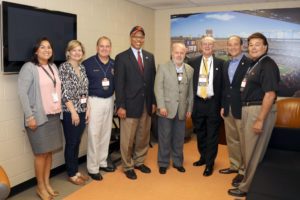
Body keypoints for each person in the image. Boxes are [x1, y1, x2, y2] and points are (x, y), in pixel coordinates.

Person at [228, 32, 280, 197]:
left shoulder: (268, 65)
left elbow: (270, 94)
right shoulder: (255, 64)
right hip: (248, 109)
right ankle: (249, 183)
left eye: (258, 44)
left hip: (258, 110)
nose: (254, 47)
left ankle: (246, 188)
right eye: (251, 45)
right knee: (247, 150)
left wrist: (260, 119)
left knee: (252, 153)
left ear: (265, 47)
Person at [18, 37, 62, 200]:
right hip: (37, 117)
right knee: (40, 154)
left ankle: (47, 183)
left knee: (49, 153)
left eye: (49, 47)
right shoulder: (29, 68)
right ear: (36, 51)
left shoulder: (53, 67)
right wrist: (29, 116)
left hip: (54, 116)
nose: (46, 50)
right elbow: (22, 94)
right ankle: (40, 187)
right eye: (42, 47)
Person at [115, 26, 156, 180]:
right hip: (129, 105)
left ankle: (139, 161)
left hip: (146, 104)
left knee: (143, 136)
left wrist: (153, 101)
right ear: (130, 38)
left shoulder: (149, 57)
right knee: (128, 139)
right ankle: (127, 166)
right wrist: (120, 105)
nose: (139, 40)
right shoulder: (122, 57)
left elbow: (152, 81)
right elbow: (119, 84)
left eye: (141, 37)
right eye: (136, 37)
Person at [154, 43, 194, 174]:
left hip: (182, 110)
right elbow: (158, 88)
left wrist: (189, 108)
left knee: (179, 138)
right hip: (166, 109)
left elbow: (190, 92)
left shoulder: (189, 70)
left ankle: (178, 162)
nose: (179, 55)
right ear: (172, 53)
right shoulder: (163, 67)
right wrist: (161, 106)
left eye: (182, 53)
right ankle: (163, 163)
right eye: (177, 52)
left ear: (185, 54)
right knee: (164, 137)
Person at [188, 36, 223, 176]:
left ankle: (210, 163)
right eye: (205, 44)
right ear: (200, 46)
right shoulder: (192, 62)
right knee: (200, 134)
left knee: (212, 135)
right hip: (198, 103)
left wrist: (223, 105)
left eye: (210, 44)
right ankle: (203, 157)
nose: (207, 46)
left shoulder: (221, 63)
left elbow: (224, 86)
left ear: (213, 47)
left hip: (213, 103)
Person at [219, 36, 251, 186]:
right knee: (231, 139)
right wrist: (223, 105)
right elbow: (226, 88)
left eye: (235, 44)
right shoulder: (226, 64)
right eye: (230, 45)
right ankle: (234, 165)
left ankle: (243, 171)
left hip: (243, 108)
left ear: (241, 46)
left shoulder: (249, 63)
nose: (232, 47)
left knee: (244, 140)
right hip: (228, 107)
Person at [82, 36, 115, 181]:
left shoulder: (114, 63)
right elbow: (83, 87)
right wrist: (86, 106)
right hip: (94, 101)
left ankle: (102, 161)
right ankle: (92, 168)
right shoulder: (87, 64)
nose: (104, 48)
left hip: (109, 100)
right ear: (97, 47)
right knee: (94, 135)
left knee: (106, 133)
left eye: (107, 46)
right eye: (101, 46)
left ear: (110, 48)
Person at [59, 40, 89, 185]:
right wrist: (74, 112)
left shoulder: (82, 68)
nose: (77, 53)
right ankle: (71, 173)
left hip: (82, 110)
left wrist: (87, 109)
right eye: (74, 50)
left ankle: (76, 170)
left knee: (77, 142)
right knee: (71, 142)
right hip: (70, 111)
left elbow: (85, 90)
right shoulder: (64, 68)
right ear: (68, 52)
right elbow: (64, 92)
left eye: (79, 50)